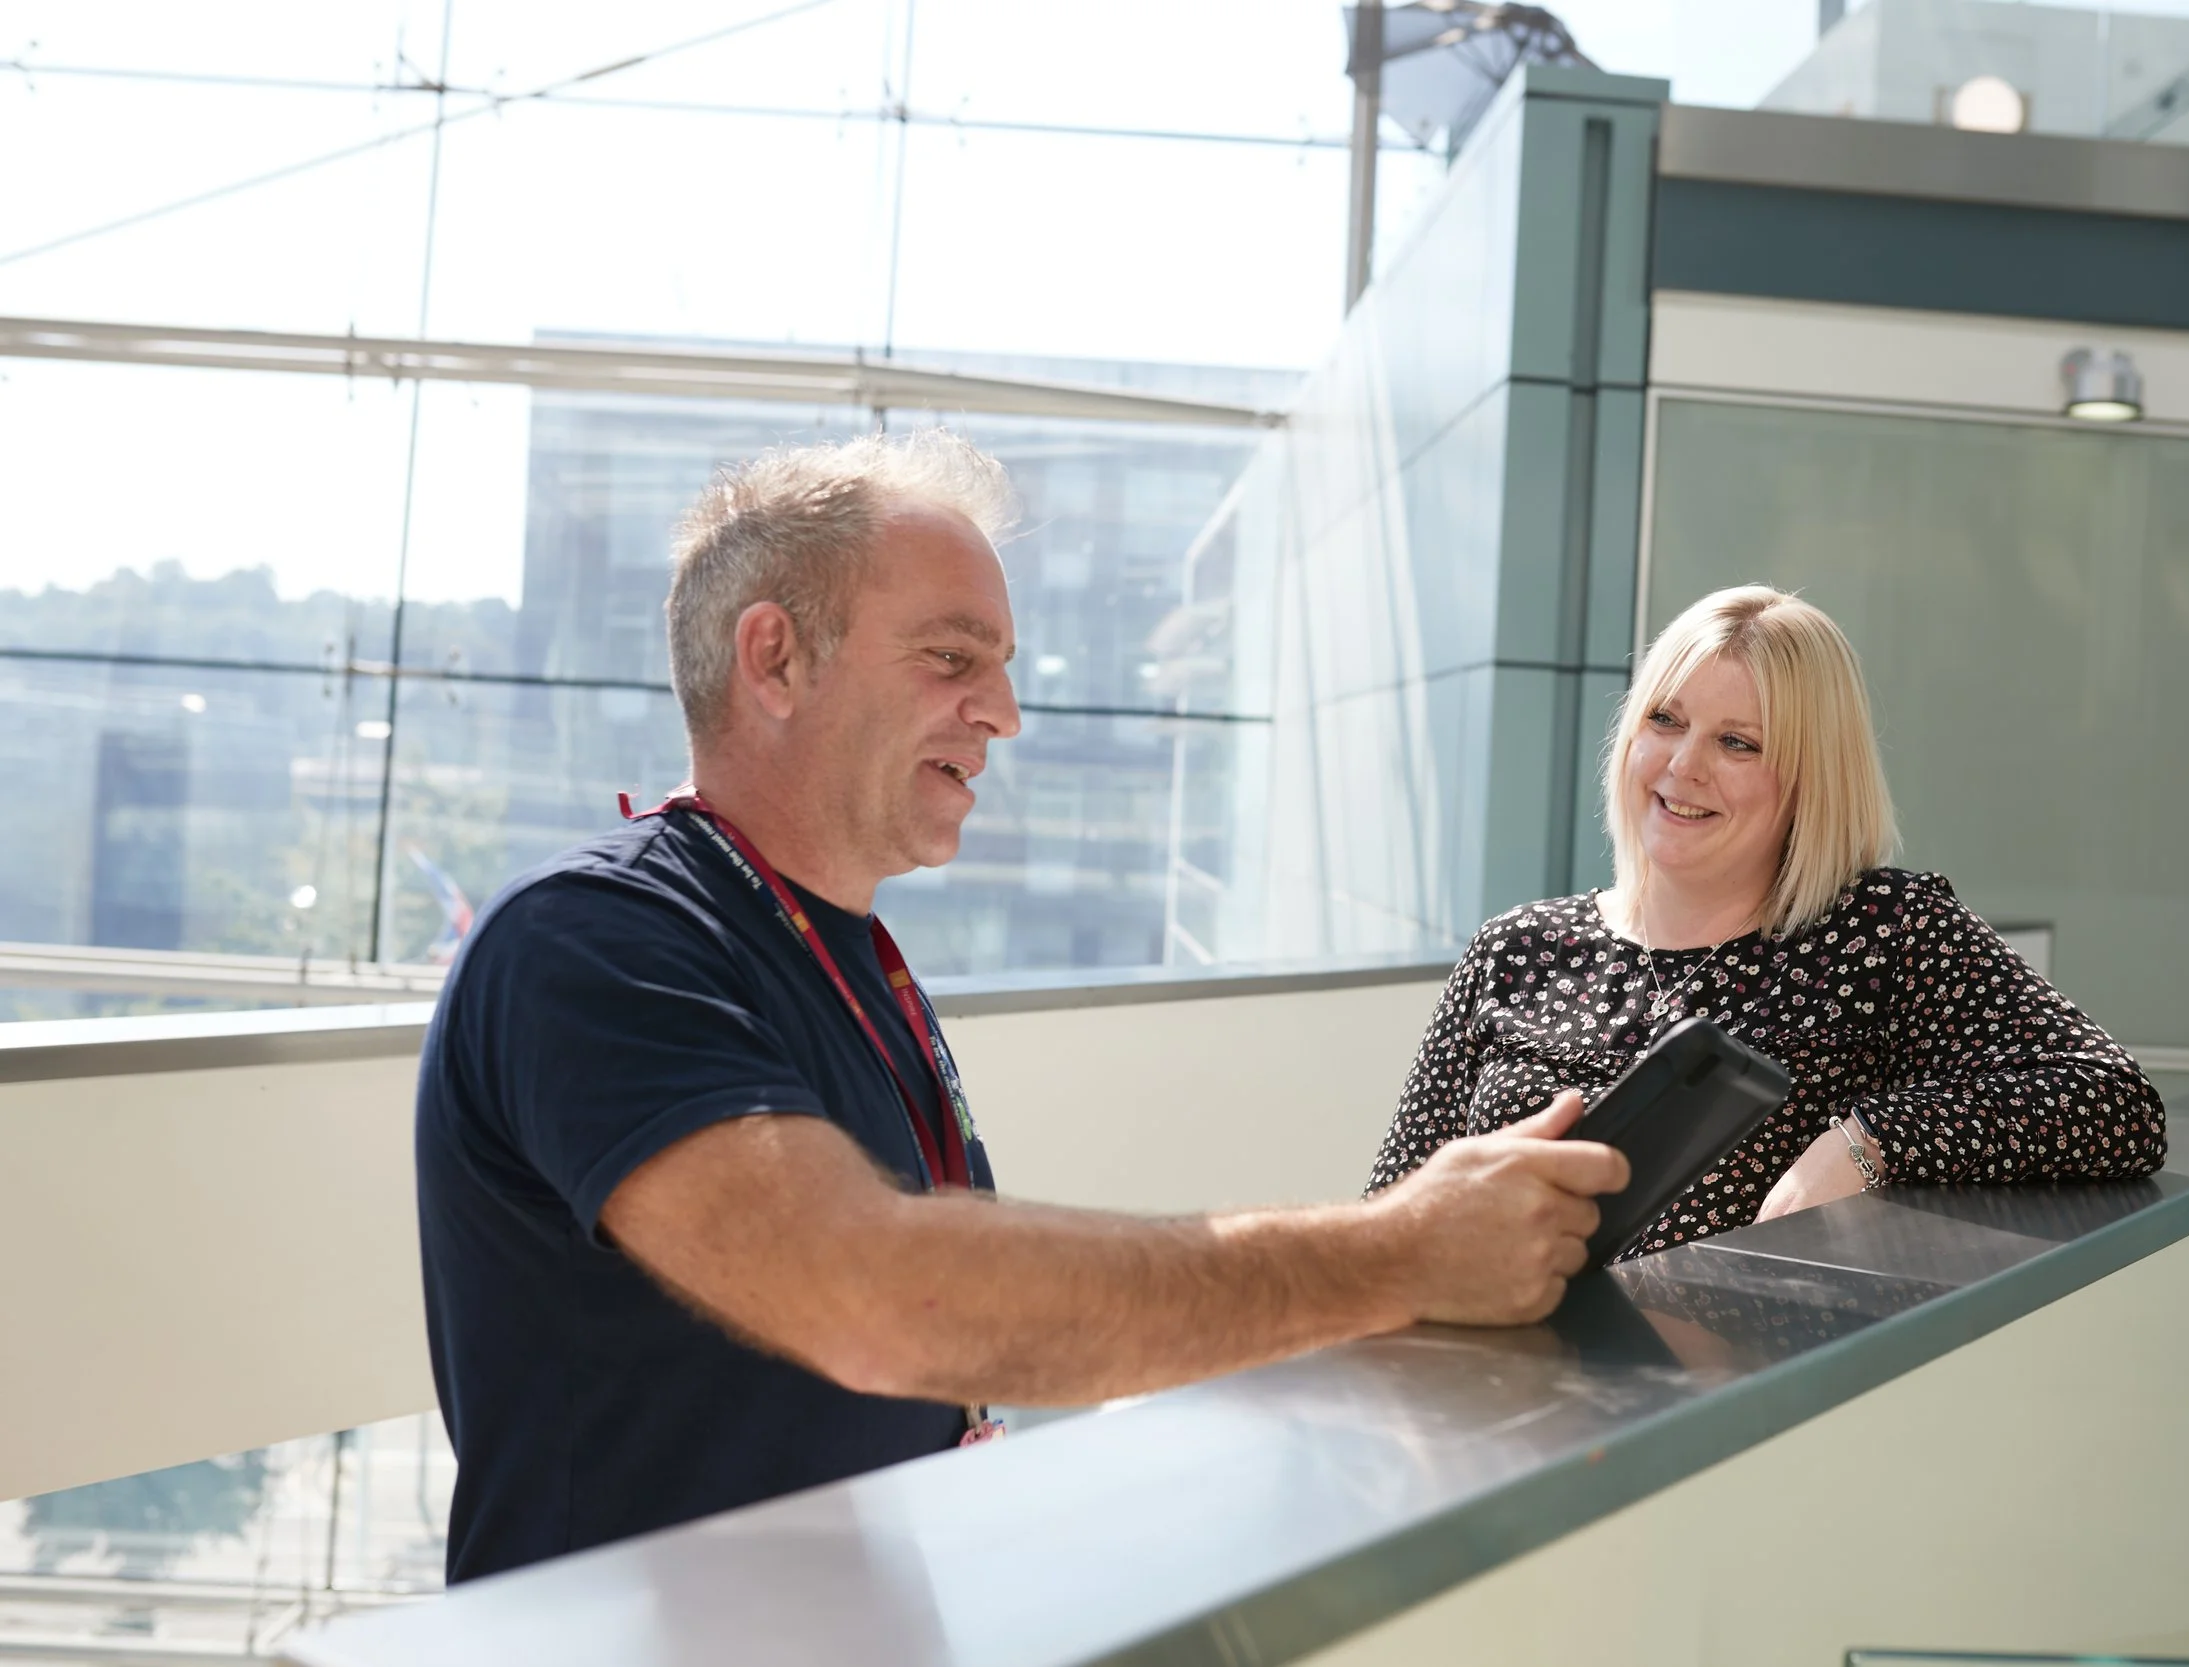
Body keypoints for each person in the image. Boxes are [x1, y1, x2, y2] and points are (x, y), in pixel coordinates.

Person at [414, 432, 1627, 1584]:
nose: (1002, 711)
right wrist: (1399, 1250)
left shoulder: (849, 964)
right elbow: (876, 1298)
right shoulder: (589, 942)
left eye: (1000, 666)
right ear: (775, 657)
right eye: (952, 656)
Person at [1366, 584, 2164, 1255]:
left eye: (1738, 742)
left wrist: (1865, 1142)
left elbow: (2110, 1098)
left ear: (1812, 776)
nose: (1683, 766)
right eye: (1665, 721)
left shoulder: (1878, 931)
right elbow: (1392, 1206)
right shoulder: (1517, 949)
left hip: (1730, 1405)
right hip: (1501, 1388)